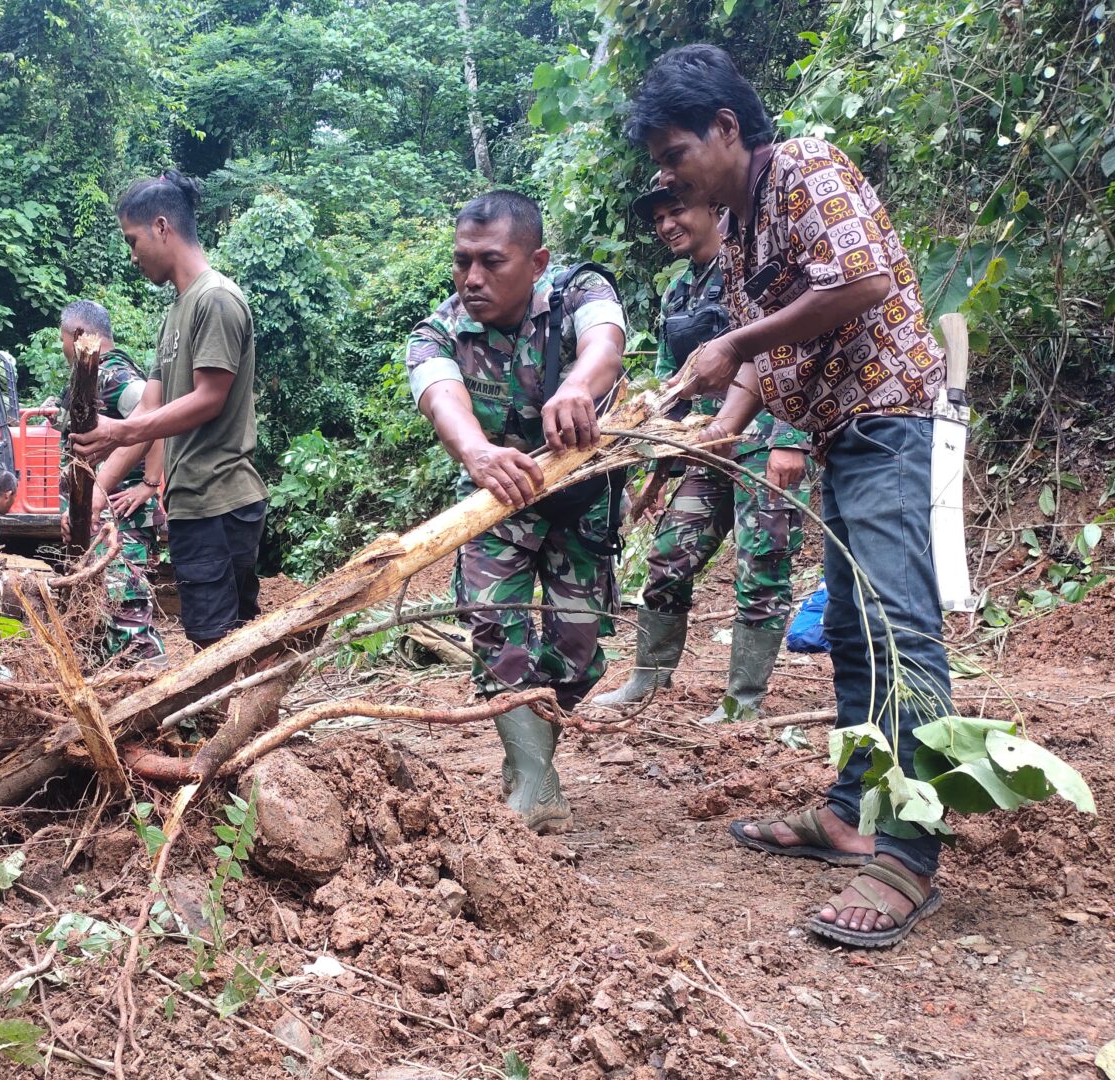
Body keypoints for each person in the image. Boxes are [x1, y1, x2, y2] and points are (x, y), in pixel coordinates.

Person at [626, 44, 953, 947]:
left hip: (887, 418)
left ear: (727, 128)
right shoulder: (739, 235)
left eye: (673, 154)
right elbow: (767, 358)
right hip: (838, 432)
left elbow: (864, 282)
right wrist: (709, 418)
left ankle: (911, 850)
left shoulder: (808, 167)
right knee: (850, 629)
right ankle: (850, 809)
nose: (668, 176)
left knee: (898, 624)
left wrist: (731, 350)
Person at [407, 190, 627, 834]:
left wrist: (579, 387)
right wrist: (476, 450)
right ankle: (533, 779)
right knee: (496, 629)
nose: (472, 278)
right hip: (497, 499)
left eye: (492, 262)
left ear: (537, 262)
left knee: (580, 649)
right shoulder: (440, 328)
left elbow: (606, 342)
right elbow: (438, 391)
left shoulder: (577, 291)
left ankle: (531, 759)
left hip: (581, 495)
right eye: (462, 261)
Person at [597, 178, 812, 721]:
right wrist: (657, 470)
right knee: (669, 557)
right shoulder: (677, 293)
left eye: (678, 211)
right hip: (703, 447)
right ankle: (647, 679)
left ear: (715, 209)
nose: (668, 225)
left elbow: (791, 350)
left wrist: (791, 440)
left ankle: (743, 703)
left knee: (761, 566)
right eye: (659, 219)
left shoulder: (752, 272)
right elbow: (674, 385)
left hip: (763, 440)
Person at [69, 170, 267, 649]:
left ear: (162, 227)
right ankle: (247, 721)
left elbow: (208, 398)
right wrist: (98, 492)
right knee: (222, 642)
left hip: (219, 501)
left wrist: (117, 432)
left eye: (132, 240)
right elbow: (149, 412)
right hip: (193, 503)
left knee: (216, 643)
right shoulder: (178, 309)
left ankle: (242, 724)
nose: (132, 255)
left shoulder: (215, 299)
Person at [58, 299, 166, 664]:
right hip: (102, 521)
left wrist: (150, 483)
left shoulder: (114, 375)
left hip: (121, 522)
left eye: (62, 340)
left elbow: (156, 415)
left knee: (127, 617)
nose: (62, 349)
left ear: (76, 335)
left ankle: (156, 700)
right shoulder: (96, 375)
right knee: (106, 616)